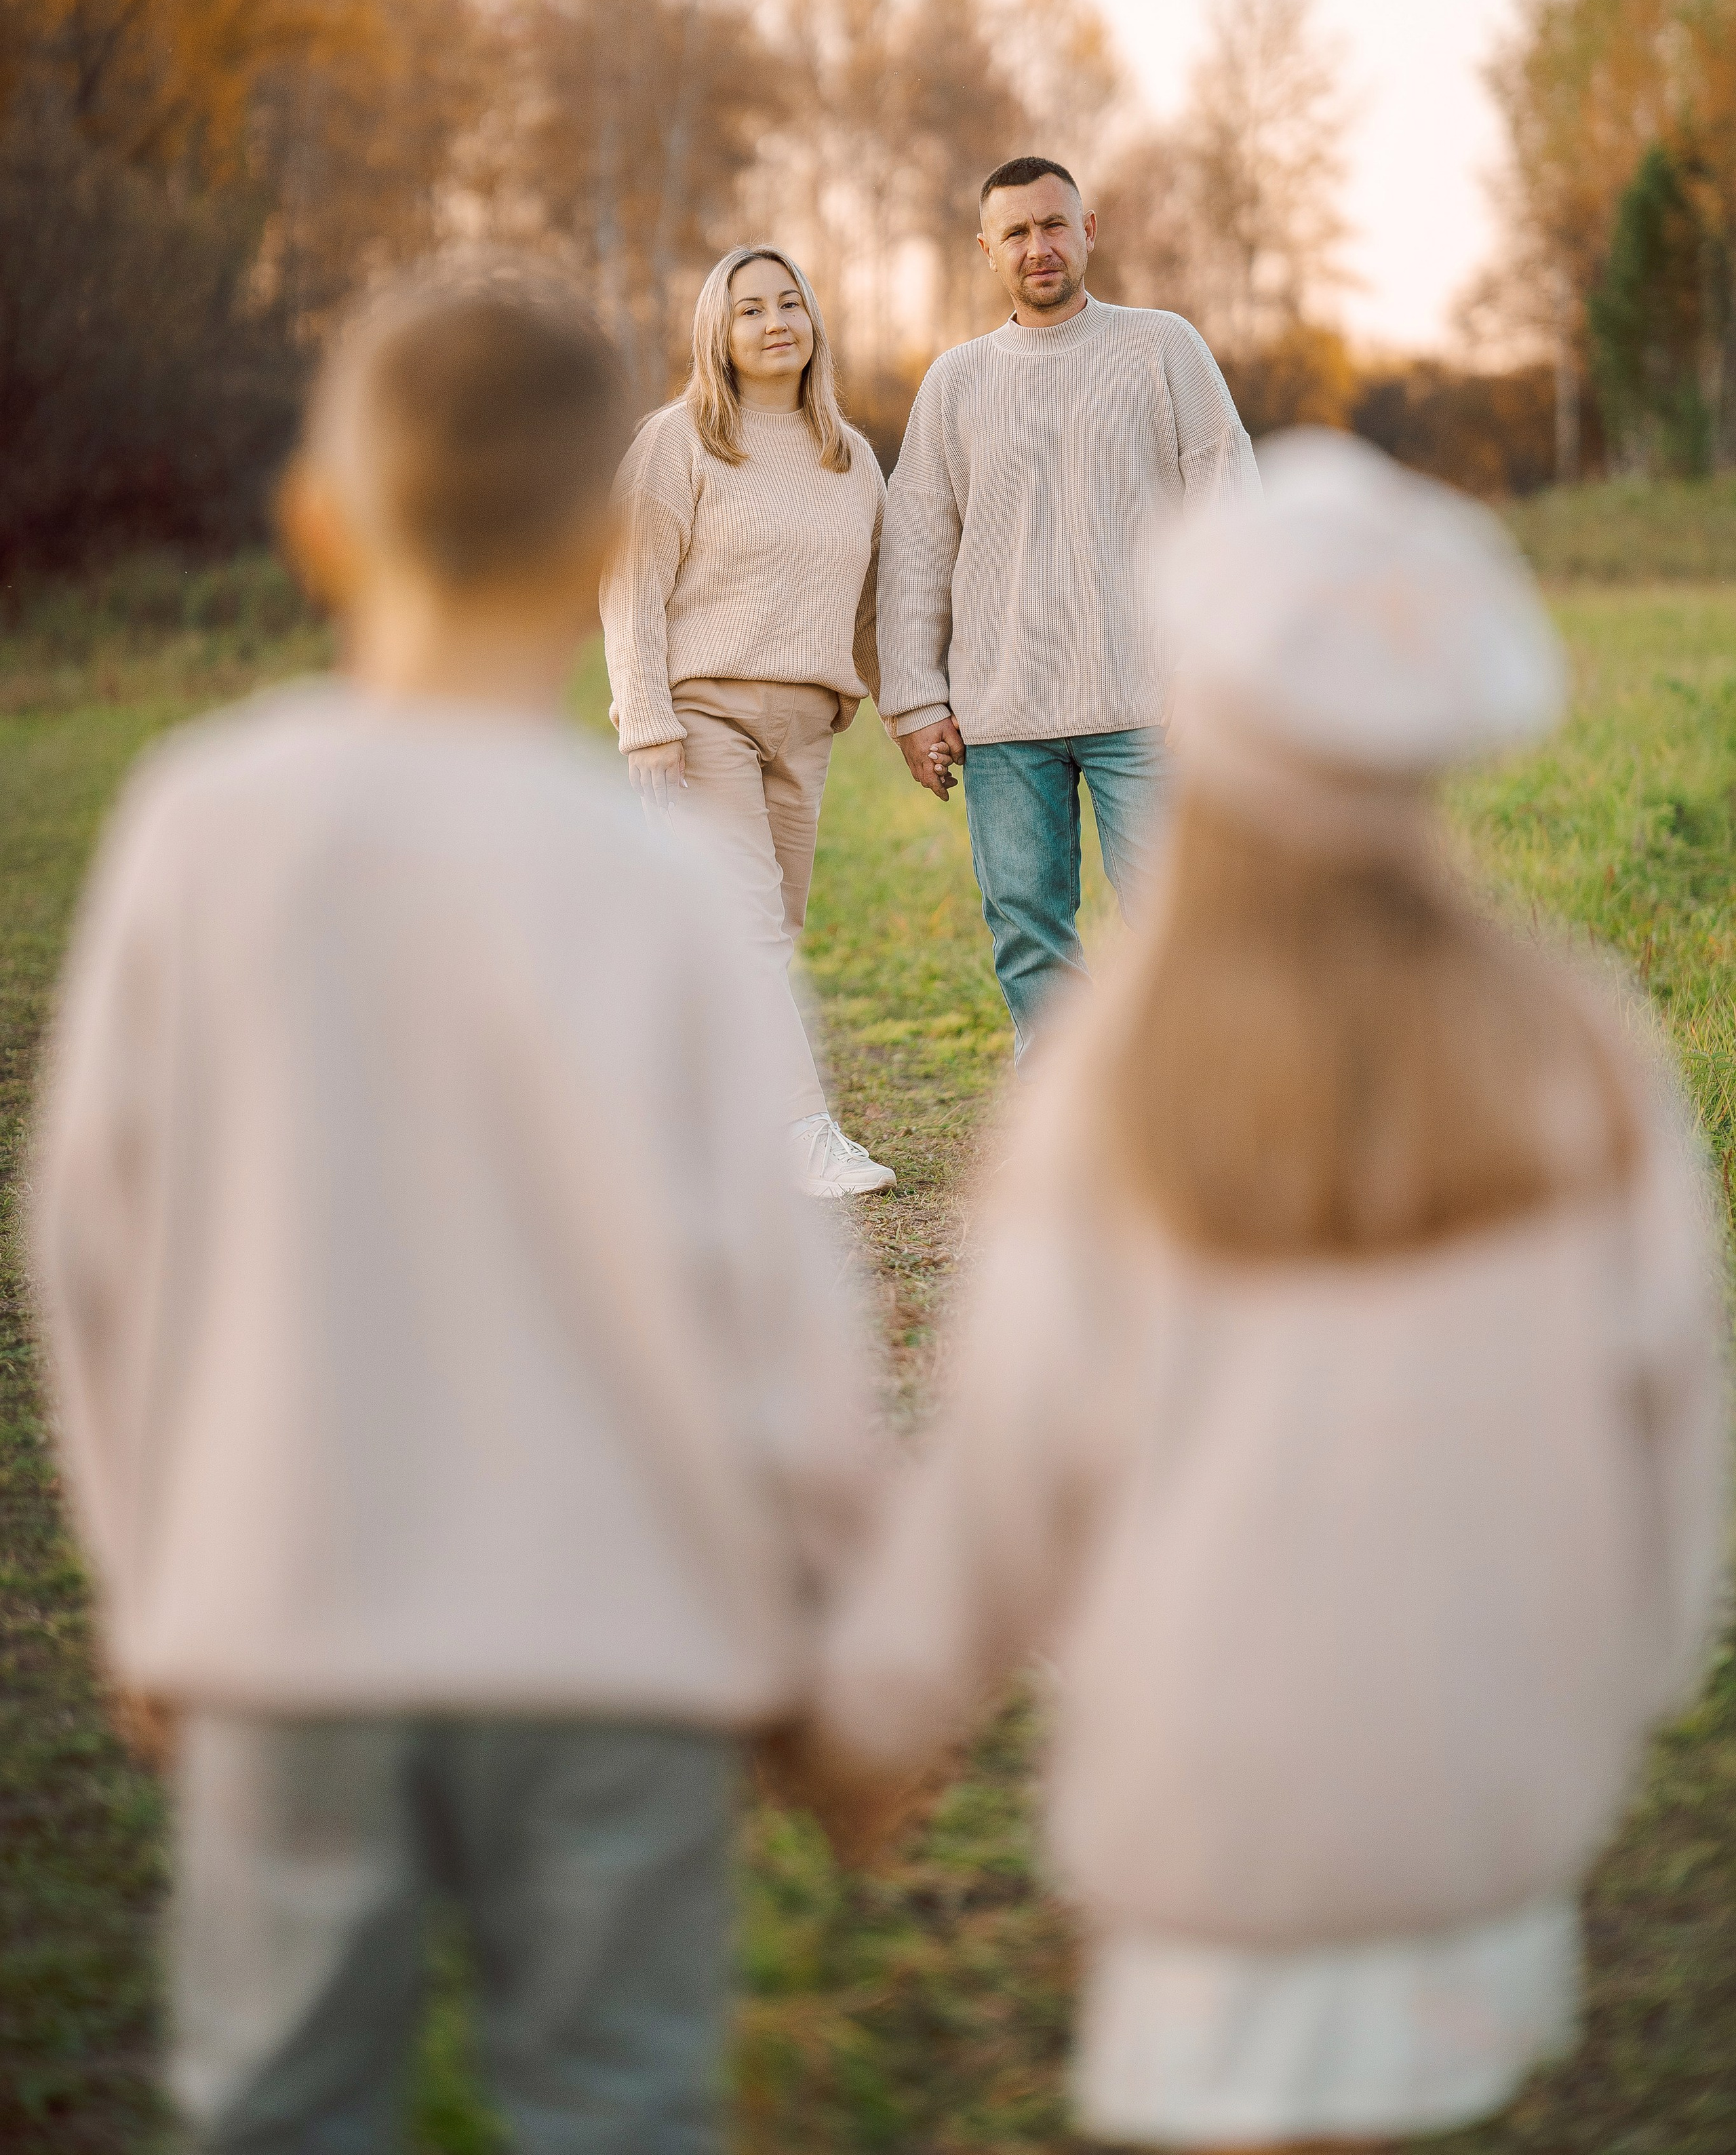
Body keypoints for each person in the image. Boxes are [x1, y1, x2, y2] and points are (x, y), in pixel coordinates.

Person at [31, 257, 880, 2154]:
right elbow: (776, 1295)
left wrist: (147, 1577)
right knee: (614, 2101)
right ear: (605, 540)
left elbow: (93, 1245)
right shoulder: (662, 891)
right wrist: (827, 1618)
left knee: (282, 2102)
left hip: (282, 1617)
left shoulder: (200, 823)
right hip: (618, 1630)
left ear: (317, 526)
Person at [813, 433, 1728, 2153]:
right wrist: (1604, 1682)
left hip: (1208, 1809)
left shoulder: (1113, 1082)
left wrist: (877, 1707)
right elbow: (1671, 1436)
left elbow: (1005, 1478)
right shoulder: (1578, 1056)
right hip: (1483, 1793)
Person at [877, 155, 1261, 1067]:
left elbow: (1229, 508)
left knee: (1182, 925)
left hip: (1151, 705)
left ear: (1088, 230)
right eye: (1015, 232)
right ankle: (1068, 1125)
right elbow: (917, 550)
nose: (1038, 246)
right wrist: (915, 701)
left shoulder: (1164, 347)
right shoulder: (955, 383)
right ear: (986, 250)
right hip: (1003, 713)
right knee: (1028, 935)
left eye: (1054, 224)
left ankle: (1194, 1118)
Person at [602, 244, 894, 1199]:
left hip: (807, 721)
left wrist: (912, 711)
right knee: (746, 926)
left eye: (789, 303)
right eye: (750, 309)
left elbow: (874, 611)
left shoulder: (851, 458)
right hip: (703, 712)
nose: (775, 323)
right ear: (717, 333)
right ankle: (801, 1134)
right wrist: (648, 723)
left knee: (766, 930)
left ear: (813, 319)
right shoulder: (677, 440)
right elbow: (632, 585)